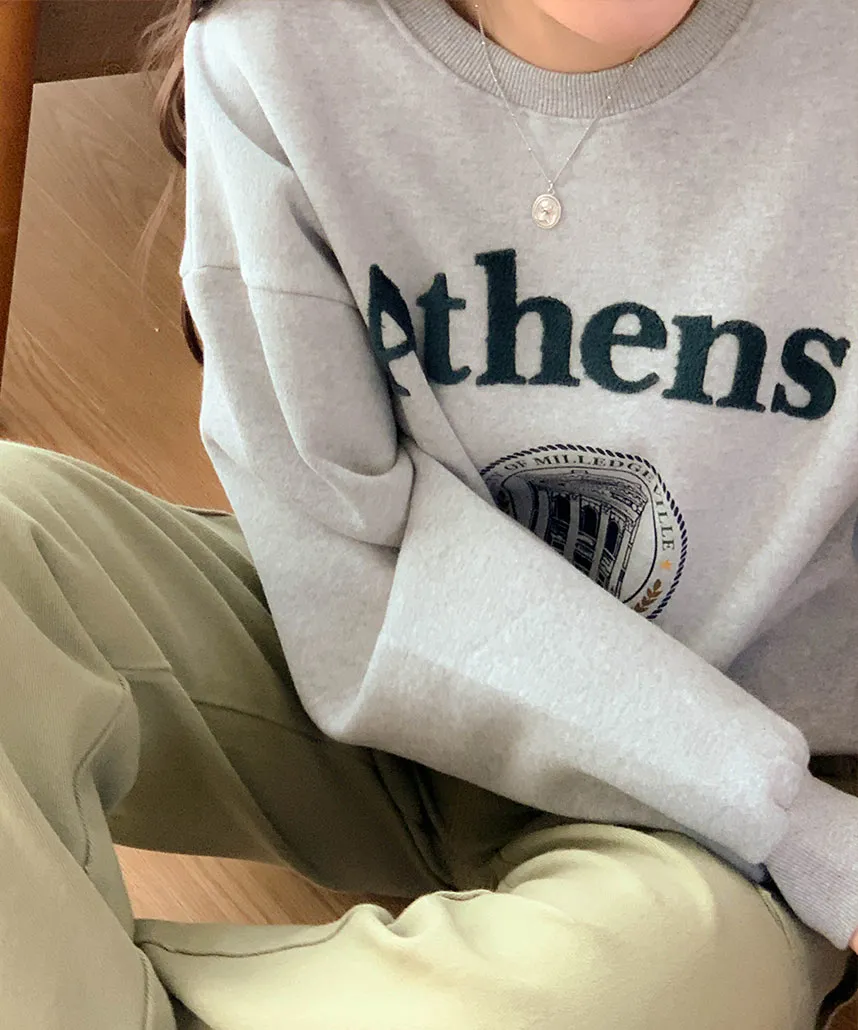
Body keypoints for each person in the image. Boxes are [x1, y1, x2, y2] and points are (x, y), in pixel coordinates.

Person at [2, 0, 857, 1026]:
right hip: (393, 704)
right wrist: (790, 820)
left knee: (672, 981)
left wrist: (800, 827)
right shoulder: (280, 51)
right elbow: (347, 583)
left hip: (715, 826)